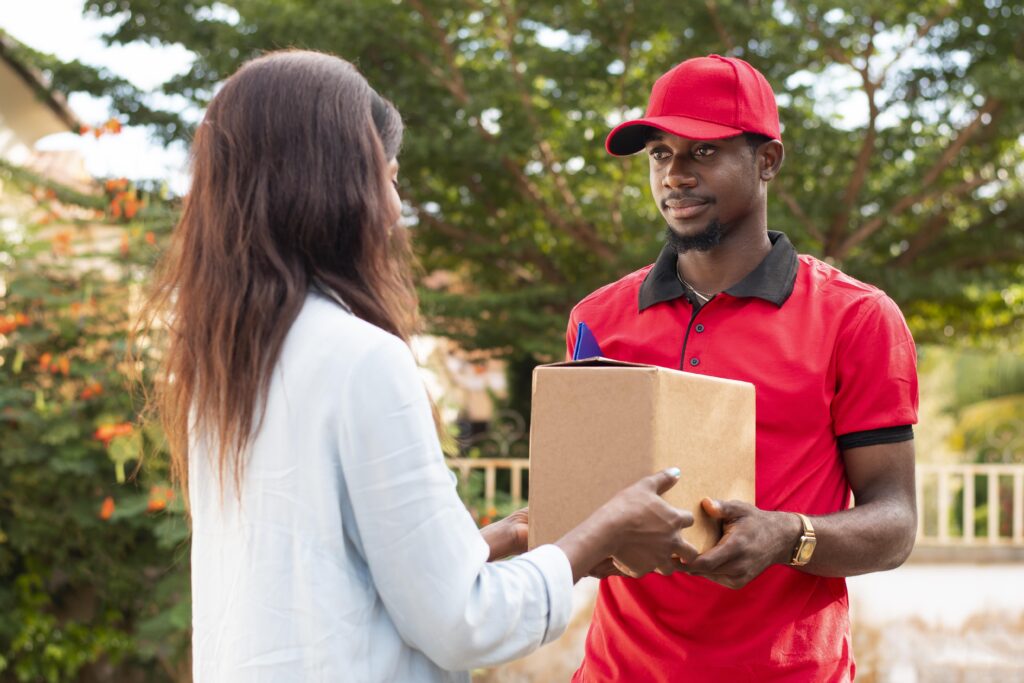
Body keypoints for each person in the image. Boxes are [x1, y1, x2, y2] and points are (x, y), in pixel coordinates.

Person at [138, 49, 701, 683]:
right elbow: (464, 620)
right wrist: (607, 528)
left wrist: (505, 538)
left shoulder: (230, 361)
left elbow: (337, 572)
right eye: (390, 176)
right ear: (339, 187)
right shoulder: (363, 359)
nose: (393, 206)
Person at [566, 55, 919, 681]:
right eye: (659, 154)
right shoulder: (597, 318)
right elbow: (587, 498)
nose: (674, 175)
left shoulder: (857, 318)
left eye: (701, 153)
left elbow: (895, 524)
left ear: (767, 161)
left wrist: (789, 535)